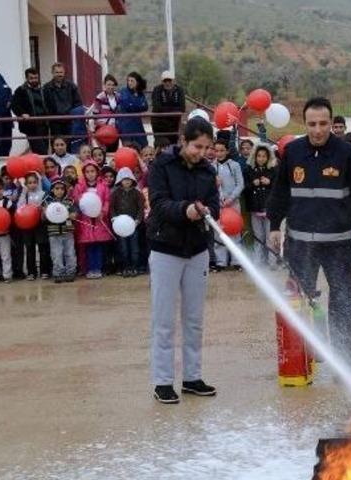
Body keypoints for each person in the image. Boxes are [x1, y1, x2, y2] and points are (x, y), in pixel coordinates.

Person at [266, 97, 351, 366]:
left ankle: (342, 362)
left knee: (343, 304)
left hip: (339, 243)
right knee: (299, 304)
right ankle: (304, 360)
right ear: (305, 123)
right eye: (312, 124)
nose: (317, 130)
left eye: (323, 124)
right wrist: (274, 225)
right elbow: (279, 191)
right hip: (300, 244)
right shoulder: (292, 151)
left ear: (331, 123)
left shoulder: (346, 153)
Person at [147, 117, 220, 404]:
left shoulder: (207, 171)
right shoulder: (161, 166)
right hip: (165, 249)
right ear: (183, 140)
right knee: (163, 320)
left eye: (206, 147)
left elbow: (214, 204)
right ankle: (163, 381)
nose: (201, 152)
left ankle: (192, 377)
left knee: (194, 319)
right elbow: (159, 203)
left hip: (197, 251)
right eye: (196, 146)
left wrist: (207, 211)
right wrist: (185, 210)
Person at [72, 161, 112, 279]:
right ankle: (89, 268)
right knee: (89, 247)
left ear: (97, 172)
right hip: (86, 221)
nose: (90, 174)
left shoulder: (103, 185)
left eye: (92, 171)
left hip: (100, 220)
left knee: (98, 246)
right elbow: (77, 200)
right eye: (87, 172)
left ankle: (98, 268)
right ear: (84, 173)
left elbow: (107, 200)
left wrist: (103, 211)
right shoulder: (79, 186)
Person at [212, 139, 245, 271]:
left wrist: (230, 199)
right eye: (216, 150)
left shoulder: (235, 165)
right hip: (218, 205)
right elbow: (208, 187)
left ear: (227, 151)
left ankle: (236, 260)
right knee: (218, 232)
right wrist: (215, 187)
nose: (219, 153)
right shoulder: (211, 167)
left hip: (233, 204)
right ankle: (221, 261)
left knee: (235, 231)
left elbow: (240, 184)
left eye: (221, 150)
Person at [109, 167, 145, 277]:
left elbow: (140, 208)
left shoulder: (137, 193)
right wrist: (114, 218)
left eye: (129, 179)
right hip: (120, 227)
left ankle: (134, 267)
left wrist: (137, 220)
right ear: (120, 180)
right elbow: (112, 208)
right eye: (124, 179)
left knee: (135, 248)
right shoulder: (115, 193)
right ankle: (125, 267)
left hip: (134, 226)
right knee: (123, 248)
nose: (127, 181)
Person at [42, 177, 78, 283]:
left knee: (70, 253)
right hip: (54, 232)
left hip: (68, 231)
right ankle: (58, 273)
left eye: (62, 189)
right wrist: (44, 213)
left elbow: (75, 214)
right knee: (56, 254)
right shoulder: (47, 202)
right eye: (57, 188)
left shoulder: (70, 201)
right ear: (52, 190)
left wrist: (73, 215)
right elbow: (43, 218)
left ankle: (70, 272)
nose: (59, 191)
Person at [246, 144, 277, 266]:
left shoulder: (273, 170)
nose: (261, 158)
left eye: (264, 156)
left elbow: (278, 187)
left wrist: (270, 182)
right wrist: (253, 183)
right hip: (255, 207)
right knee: (259, 236)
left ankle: (272, 262)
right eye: (259, 156)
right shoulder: (249, 170)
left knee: (270, 236)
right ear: (255, 157)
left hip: (269, 208)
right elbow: (246, 188)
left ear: (268, 157)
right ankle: (259, 261)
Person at [17, 172, 51, 279]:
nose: (32, 185)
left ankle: (45, 271)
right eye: (30, 183)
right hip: (27, 225)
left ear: (38, 182)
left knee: (43, 248)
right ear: (26, 184)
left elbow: (47, 208)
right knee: (29, 248)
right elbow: (20, 207)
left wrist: (43, 210)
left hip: (40, 224)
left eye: (35, 182)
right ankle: (31, 272)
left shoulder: (43, 194)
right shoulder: (24, 194)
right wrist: (24, 192)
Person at [11, 68, 50, 154]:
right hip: (31, 126)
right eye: (31, 78)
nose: (34, 80)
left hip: (44, 124)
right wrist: (22, 113)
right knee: (40, 151)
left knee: (45, 148)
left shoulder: (43, 90)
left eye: (36, 78)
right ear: (27, 78)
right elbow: (14, 105)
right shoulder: (20, 90)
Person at [43, 62, 83, 139]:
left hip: (69, 121)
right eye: (57, 72)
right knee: (56, 144)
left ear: (64, 72)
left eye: (61, 72)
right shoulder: (46, 88)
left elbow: (78, 102)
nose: (59, 74)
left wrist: (72, 115)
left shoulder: (71, 86)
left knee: (69, 144)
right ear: (52, 73)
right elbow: (45, 104)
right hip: (54, 122)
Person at [151, 71, 186, 146]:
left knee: (173, 145)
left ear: (173, 81)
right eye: (165, 81)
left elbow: (182, 108)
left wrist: (166, 110)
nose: (167, 83)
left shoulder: (179, 90)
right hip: (160, 124)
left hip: (174, 124)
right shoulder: (157, 89)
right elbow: (157, 107)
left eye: (169, 80)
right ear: (162, 81)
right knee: (161, 144)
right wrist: (173, 110)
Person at [117, 72, 149, 147]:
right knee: (129, 148)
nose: (130, 83)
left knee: (144, 145)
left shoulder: (140, 93)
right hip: (126, 125)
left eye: (132, 81)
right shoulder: (124, 91)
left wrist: (133, 104)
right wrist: (139, 105)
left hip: (137, 124)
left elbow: (145, 106)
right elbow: (128, 106)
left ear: (137, 82)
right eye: (128, 81)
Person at [91, 74, 121, 153]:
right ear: (104, 85)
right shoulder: (100, 97)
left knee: (113, 151)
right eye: (108, 84)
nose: (111, 87)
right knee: (103, 151)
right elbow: (95, 113)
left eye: (113, 85)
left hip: (115, 128)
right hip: (103, 129)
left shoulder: (118, 97)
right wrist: (95, 130)